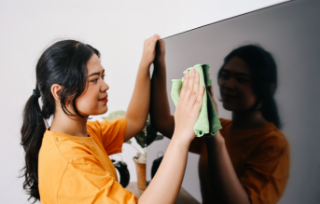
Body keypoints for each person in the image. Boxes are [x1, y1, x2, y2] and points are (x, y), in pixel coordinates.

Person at [20, 36, 205, 204]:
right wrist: (180, 136)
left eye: (103, 76)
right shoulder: (71, 164)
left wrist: (149, 64)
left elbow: (134, 121)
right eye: (94, 80)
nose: (105, 85)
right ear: (59, 92)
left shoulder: (85, 133)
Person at [150, 45, 290, 204]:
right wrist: (159, 63)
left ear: (267, 89)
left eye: (241, 79)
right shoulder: (224, 127)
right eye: (225, 75)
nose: (228, 85)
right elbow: (161, 122)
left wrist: (213, 136)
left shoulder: (274, 145)